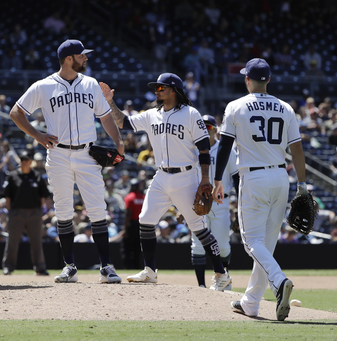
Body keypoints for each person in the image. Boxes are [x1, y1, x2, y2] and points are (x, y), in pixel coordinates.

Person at [100, 72, 231, 289]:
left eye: (161, 87)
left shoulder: (190, 114)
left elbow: (204, 149)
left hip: (186, 176)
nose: (157, 90)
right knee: (145, 219)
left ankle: (221, 273)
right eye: (156, 88)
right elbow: (122, 121)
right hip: (161, 175)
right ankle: (150, 271)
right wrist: (109, 102)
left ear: (174, 90)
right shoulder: (152, 114)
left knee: (198, 227)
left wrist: (205, 179)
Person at [9, 39, 124, 284]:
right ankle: (69, 266)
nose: (86, 58)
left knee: (96, 209)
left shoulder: (91, 84)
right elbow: (16, 112)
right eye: (82, 55)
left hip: (87, 153)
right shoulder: (44, 86)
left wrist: (119, 141)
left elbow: (105, 117)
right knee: (63, 210)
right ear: (69, 58)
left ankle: (106, 266)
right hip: (58, 154)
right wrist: (37, 135)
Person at [212, 58, 306, 321]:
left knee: (252, 242)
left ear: (247, 79)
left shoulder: (236, 106)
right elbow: (297, 149)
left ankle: (279, 281)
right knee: (266, 245)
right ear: (269, 80)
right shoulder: (285, 107)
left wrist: (218, 178)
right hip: (281, 177)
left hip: (253, 178)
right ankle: (251, 302)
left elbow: (225, 145)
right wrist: (303, 185)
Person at [190, 115, 239, 289]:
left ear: (216, 130)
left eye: (209, 127)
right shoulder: (192, 150)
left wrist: (239, 205)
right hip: (198, 203)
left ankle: (222, 279)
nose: (206, 130)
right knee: (197, 245)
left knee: (223, 245)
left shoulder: (225, 150)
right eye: (203, 127)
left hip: (220, 202)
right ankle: (201, 286)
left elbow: (236, 176)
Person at [2, 150, 51, 276]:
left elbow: (43, 196)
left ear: (30, 161)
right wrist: (11, 211)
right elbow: (7, 197)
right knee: (12, 241)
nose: (24, 162)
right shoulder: (12, 176)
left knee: (36, 241)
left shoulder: (37, 175)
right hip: (16, 213)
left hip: (34, 213)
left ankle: (40, 267)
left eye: (26, 160)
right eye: (22, 160)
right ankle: (8, 266)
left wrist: (38, 210)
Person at [122, 178, 144, 269]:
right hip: (141, 225)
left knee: (127, 247)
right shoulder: (143, 197)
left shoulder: (129, 197)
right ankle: (137, 266)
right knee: (138, 248)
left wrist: (125, 229)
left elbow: (128, 214)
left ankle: (128, 267)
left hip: (132, 224)